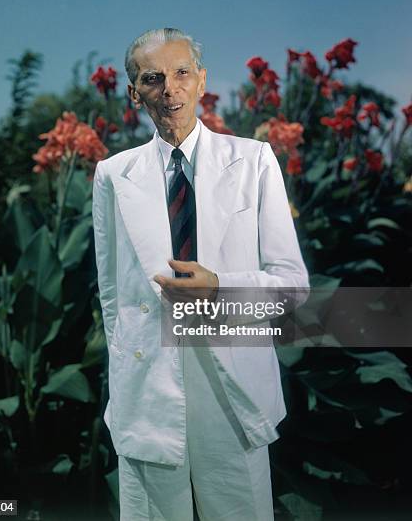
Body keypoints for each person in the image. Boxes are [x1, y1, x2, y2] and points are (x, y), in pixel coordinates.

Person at [92, 27, 309, 520]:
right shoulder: (112, 175)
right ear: (134, 92)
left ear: (202, 81)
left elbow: (292, 287)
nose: (170, 88)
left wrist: (221, 289)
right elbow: (113, 299)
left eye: (181, 72)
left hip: (230, 387)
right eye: (153, 77)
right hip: (148, 388)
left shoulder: (254, 160)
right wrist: (126, 381)